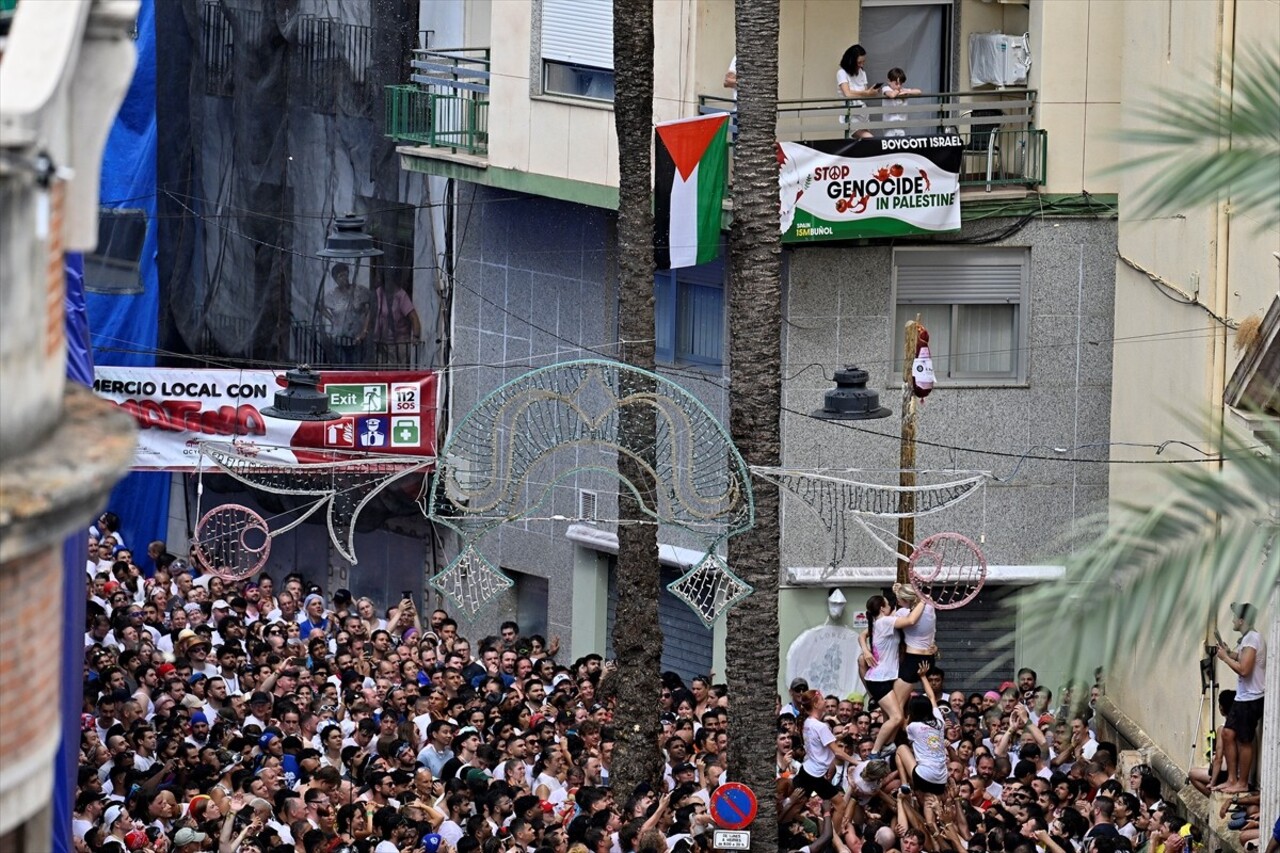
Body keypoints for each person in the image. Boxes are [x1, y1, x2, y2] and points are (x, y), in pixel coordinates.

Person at [869, 585, 934, 757]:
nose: (895, 603)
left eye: (898, 600)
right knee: (897, 710)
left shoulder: (903, 614)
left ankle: (884, 746)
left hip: (913, 661)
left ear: (906, 601)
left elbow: (910, 619)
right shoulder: (930, 606)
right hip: (926, 658)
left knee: (895, 711)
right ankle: (893, 743)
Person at [1214, 601, 1266, 793]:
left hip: (1251, 698)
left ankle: (1242, 783)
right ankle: (1231, 779)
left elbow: (1245, 670)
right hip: (1243, 698)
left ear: (1242, 620)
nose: (1234, 621)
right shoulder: (1247, 639)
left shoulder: (1252, 639)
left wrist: (1225, 658)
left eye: (1236, 617)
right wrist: (1230, 653)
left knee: (1244, 739)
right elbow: (1243, 660)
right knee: (1227, 734)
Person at [894, 662, 950, 832]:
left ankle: (904, 784)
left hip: (924, 775)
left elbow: (898, 718)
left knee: (901, 749)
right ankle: (934, 830)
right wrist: (923, 677)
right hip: (941, 778)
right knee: (929, 799)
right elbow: (932, 697)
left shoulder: (913, 727)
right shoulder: (940, 722)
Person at [322, 262, 370, 364]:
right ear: (335, 279)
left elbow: (370, 308)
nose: (343, 278)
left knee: (356, 369)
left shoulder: (359, 291)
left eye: (345, 274)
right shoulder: (332, 295)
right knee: (341, 368)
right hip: (339, 339)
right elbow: (320, 305)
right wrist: (331, 318)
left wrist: (364, 330)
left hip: (357, 339)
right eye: (340, 276)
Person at [371, 278, 421, 365]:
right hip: (381, 343)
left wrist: (416, 336)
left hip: (399, 343)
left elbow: (413, 317)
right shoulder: (379, 292)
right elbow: (371, 313)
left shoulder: (401, 296)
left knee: (398, 372)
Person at [837, 44, 880, 139]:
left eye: (863, 62)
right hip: (851, 114)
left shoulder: (862, 72)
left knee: (863, 145)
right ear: (851, 61)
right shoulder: (842, 73)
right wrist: (866, 93)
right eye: (859, 62)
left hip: (863, 112)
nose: (861, 65)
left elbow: (864, 93)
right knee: (870, 139)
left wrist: (871, 92)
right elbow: (847, 93)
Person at [880, 67, 921, 136]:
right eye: (896, 83)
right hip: (889, 127)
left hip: (901, 126)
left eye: (901, 83)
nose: (899, 86)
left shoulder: (904, 90)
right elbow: (892, 95)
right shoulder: (886, 88)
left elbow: (919, 92)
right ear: (889, 81)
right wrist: (898, 92)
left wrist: (907, 91)